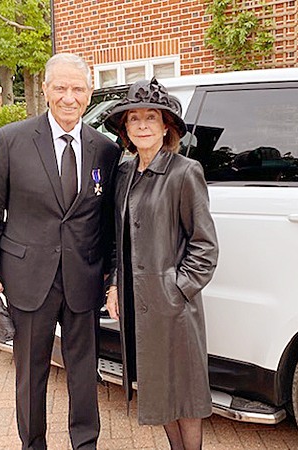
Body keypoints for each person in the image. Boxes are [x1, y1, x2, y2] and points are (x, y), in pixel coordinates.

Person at [0, 53, 121, 450]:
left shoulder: (105, 149)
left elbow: (106, 224)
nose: (69, 97)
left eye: (78, 89)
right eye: (61, 88)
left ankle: (85, 443)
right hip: (28, 279)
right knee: (31, 373)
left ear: (89, 94)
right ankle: (32, 443)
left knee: (84, 373)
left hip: (82, 279)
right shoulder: (12, 139)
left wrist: (112, 279)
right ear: (46, 91)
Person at [103, 78, 219, 450]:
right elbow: (119, 240)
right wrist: (115, 285)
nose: (141, 124)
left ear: (165, 125)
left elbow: (204, 245)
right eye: (133, 118)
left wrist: (177, 288)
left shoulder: (185, 172)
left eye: (150, 117)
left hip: (174, 306)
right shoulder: (123, 174)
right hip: (138, 304)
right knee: (158, 389)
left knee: (184, 392)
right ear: (125, 128)